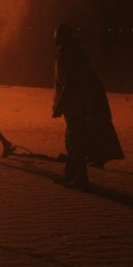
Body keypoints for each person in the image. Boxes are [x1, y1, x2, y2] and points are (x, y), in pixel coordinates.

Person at [52, 23, 123, 188]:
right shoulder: (76, 53)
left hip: (75, 105)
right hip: (79, 103)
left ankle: (81, 178)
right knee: (73, 140)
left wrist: (59, 106)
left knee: (74, 141)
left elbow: (70, 84)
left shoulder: (67, 56)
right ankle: (70, 174)